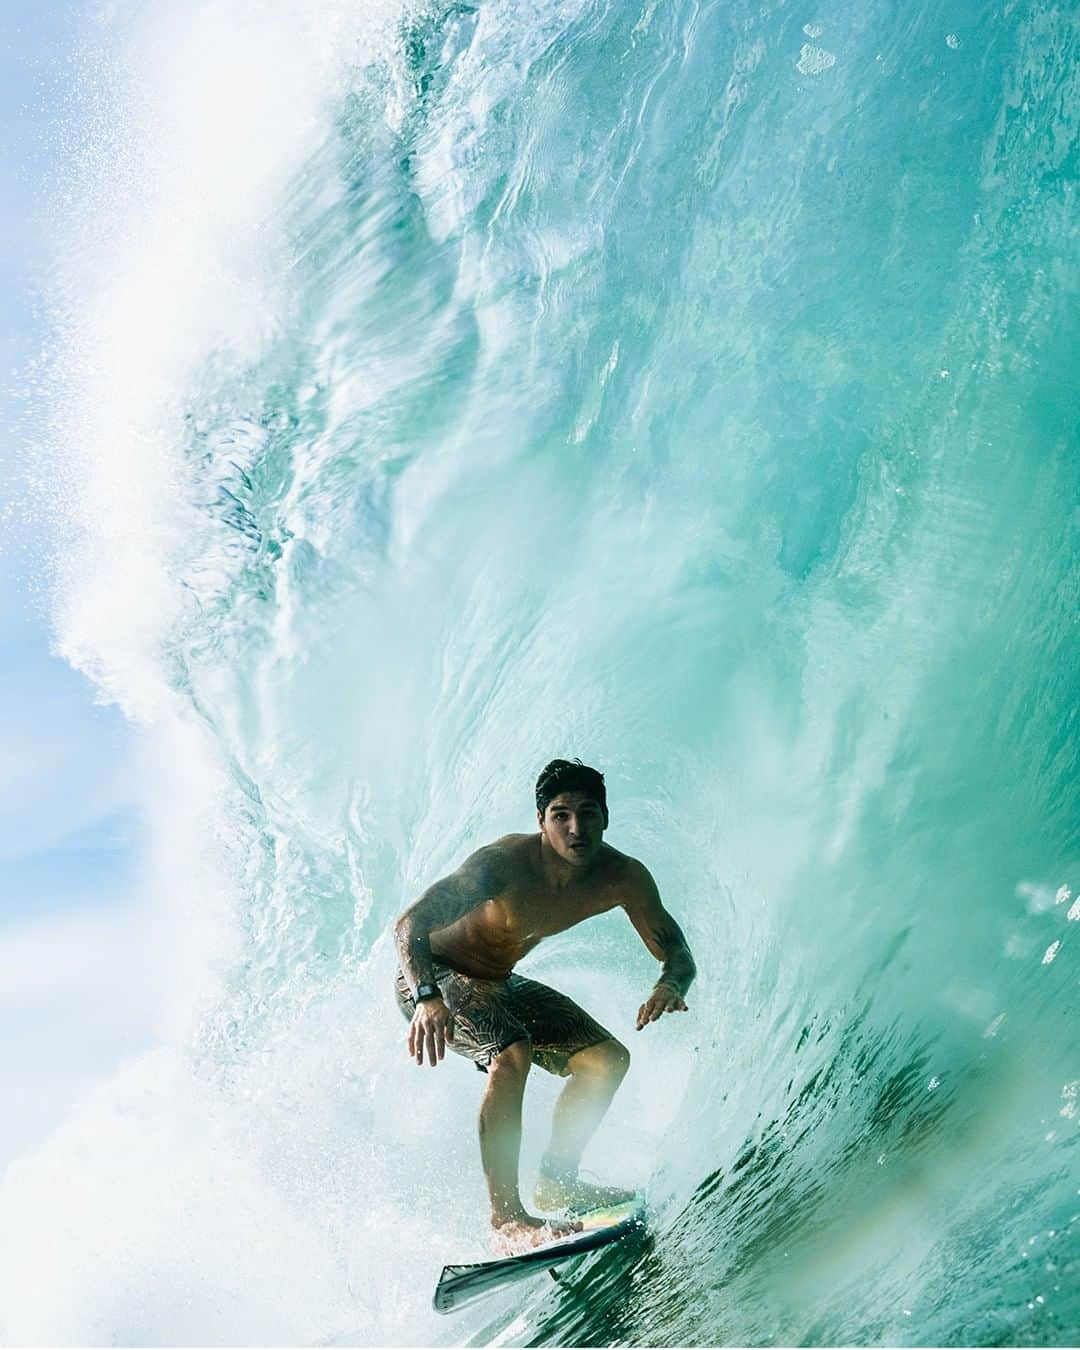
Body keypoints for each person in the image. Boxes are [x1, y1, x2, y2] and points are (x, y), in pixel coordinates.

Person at [393, 758, 697, 1254]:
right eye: (560, 815)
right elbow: (410, 925)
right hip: (434, 978)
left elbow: (677, 951)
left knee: (606, 1060)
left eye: (587, 813)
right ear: (541, 822)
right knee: (511, 1051)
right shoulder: (502, 865)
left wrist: (671, 983)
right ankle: (507, 1218)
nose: (575, 827)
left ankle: (559, 1182)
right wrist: (427, 999)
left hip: (497, 983)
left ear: (605, 817)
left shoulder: (621, 877)